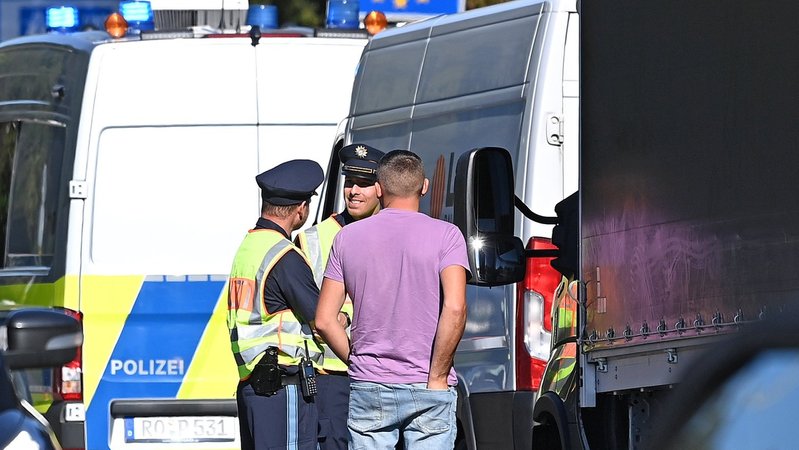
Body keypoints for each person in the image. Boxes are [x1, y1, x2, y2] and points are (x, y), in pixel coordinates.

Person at [315, 150, 470, 449]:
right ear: (424, 187)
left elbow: (324, 319)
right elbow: (455, 307)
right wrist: (437, 375)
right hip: (427, 381)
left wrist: (359, 363)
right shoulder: (447, 236)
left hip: (370, 384)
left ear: (379, 188)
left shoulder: (346, 238)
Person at [227, 159, 325, 450]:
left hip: (253, 387)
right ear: (300, 210)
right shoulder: (284, 255)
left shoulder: (249, 246)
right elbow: (321, 317)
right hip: (283, 387)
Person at [294, 143, 385, 450]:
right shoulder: (312, 239)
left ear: (381, 189)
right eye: (349, 183)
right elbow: (310, 311)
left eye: (364, 184)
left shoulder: (394, 234)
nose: (354, 191)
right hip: (333, 375)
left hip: (386, 372)